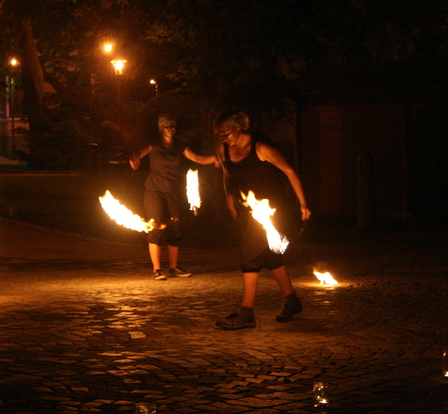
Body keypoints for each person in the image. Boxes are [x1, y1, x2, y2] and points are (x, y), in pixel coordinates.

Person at [213, 111, 311, 330]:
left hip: (272, 209)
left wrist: (303, 203)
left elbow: (290, 171)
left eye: (225, 133)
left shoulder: (261, 148)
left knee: (248, 255)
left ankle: (246, 314)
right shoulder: (223, 150)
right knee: (270, 257)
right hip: (250, 209)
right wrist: (229, 200)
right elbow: (228, 174)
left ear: (238, 128)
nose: (222, 138)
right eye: (219, 134)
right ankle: (292, 302)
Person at [129, 113, 220, 280]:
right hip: (154, 191)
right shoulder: (153, 143)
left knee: (175, 228)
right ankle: (157, 269)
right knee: (155, 228)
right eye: (167, 126)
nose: (171, 128)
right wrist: (134, 159)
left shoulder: (180, 145)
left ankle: (174, 268)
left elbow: (197, 158)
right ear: (160, 128)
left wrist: (213, 159)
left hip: (172, 191)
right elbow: (138, 152)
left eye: (173, 125)